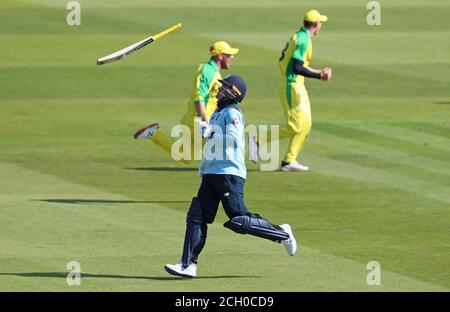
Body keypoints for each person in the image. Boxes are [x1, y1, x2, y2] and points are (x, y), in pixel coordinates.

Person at [164, 75, 297, 278]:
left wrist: (210, 133)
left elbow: (234, 140)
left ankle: (282, 233)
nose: (219, 89)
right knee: (197, 215)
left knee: (239, 219)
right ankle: (187, 264)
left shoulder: (233, 112)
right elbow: (214, 147)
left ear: (233, 92)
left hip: (229, 174)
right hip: (212, 173)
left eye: (223, 87)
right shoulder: (218, 112)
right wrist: (204, 167)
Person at [133, 41, 239, 162]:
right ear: (220, 56)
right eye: (228, 54)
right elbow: (199, 96)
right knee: (220, 151)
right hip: (199, 122)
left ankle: (154, 134)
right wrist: (204, 122)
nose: (232, 57)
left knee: (185, 156)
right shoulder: (208, 71)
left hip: (197, 121)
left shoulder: (212, 72)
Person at [261, 10, 332, 172]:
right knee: (295, 126)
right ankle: (258, 139)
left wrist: (319, 72)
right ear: (315, 25)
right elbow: (296, 67)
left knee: (306, 124)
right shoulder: (303, 40)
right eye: (320, 22)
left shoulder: (302, 37)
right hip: (292, 85)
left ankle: (289, 161)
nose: (321, 25)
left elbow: (294, 64)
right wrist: (319, 75)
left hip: (297, 85)